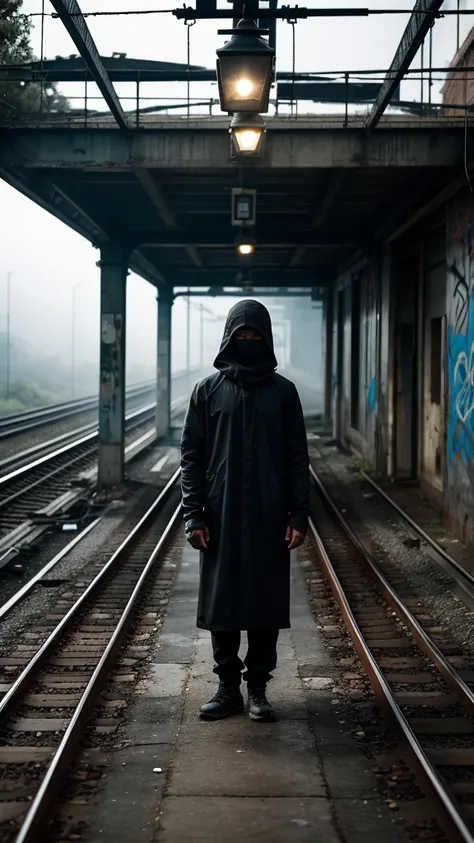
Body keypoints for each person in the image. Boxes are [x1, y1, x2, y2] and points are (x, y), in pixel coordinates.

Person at [180, 299, 310, 722]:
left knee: (264, 601)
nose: (249, 341)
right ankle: (226, 687)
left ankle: (258, 689)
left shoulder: (283, 393)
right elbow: (192, 457)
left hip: (269, 516)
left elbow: (297, 458)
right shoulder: (207, 392)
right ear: (229, 338)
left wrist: (297, 514)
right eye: (242, 335)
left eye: (255, 335)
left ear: (266, 338)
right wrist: (193, 514)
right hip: (220, 515)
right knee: (223, 603)